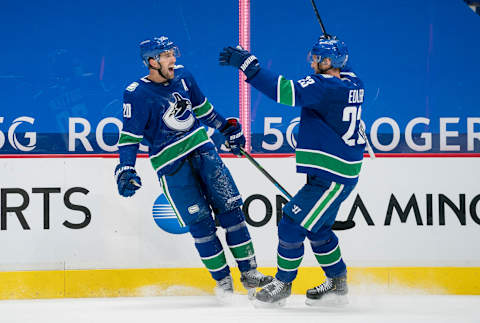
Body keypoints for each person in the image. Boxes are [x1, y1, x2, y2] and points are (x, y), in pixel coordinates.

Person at [114, 36, 272, 298]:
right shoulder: (137, 93)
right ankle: (224, 283)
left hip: (204, 151)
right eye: (165, 56)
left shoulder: (184, 77)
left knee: (232, 212)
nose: (173, 59)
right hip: (171, 165)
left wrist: (225, 127)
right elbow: (130, 136)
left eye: (172, 53)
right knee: (200, 225)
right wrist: (125, 168)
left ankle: (250, 273)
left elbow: (202, 109)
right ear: (151, 62)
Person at [219, 36, 366, 306]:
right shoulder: (353, 81)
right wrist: (335, 47)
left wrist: (250, 66)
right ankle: (337, 282)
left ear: (330, 62)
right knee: (318, 228)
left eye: (317, 58)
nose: (312, 61)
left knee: (290, 223)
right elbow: (343, 67)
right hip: (338, 171)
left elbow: (285, 92)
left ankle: (283, 283)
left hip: (332, 177)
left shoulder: (324, 87)